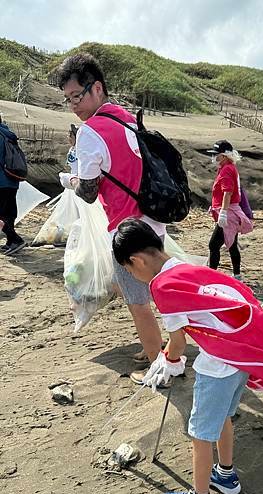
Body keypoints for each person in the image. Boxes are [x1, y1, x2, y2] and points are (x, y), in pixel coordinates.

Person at [112, 218, 263, 494]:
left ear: (136, 260)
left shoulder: (162, 286)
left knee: (200, 433)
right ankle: (225, 475)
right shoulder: (188, 269)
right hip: (238, 361)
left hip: (216, 367)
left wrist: (166, 362)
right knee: (223, 417)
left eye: (130, 271)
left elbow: (177, 341)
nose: (135, 276)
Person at [56, 53, 163, 382]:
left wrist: (69, 180)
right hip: (154, 219)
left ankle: (160, 364)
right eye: (68, 99)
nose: (74, 104)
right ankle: (158, 346)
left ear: (97, 87)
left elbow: (88, 192)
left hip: (126, 228)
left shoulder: (91, 131)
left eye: (77, 95)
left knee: (138, 300)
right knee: (157, 285)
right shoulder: (127, 119)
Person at [206, 140, 253, 280]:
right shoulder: (228, 167)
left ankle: (211, 275)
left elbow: (228, 192)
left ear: (224, 156)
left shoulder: (227, 169)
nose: (214, 157)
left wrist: (224, 213)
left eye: (216, 154)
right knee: (232, 244)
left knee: (213, 245)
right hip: (229, 210)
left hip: (228, 212)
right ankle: (237, 274)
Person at [0, 117, 26, 255]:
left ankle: (15, 239)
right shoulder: (7, 133)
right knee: (8, 213)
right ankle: (11, 242)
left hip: (1, 182)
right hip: (11, 180)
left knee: (2, 215)